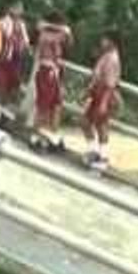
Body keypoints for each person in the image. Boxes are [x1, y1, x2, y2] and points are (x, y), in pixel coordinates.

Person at [30, 10, 74, 153]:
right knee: (43, 107)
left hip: (53, 71)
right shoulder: (47, 33)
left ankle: (48, 136)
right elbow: (66, 40)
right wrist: (59, 28)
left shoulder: (54, 34)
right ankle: (37, 137)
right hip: (47, 70)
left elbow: (69, 46)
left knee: (55, 106)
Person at [82, 30, 122, 171]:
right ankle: (94, 151)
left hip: (104, 95)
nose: (102, 42)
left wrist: (104, 103)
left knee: (101, 125)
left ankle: (103, 157)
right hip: (97, 93)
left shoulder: (112, 58)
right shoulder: (106, 56)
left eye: (105, 39)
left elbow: (109, 83)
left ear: (112, 41)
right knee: (86, 121)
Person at [0, 1, 31, 119]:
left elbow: (26, 41)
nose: (18, 11)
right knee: (0, 84)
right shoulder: (3, 21)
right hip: (4, 57)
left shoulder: (22, 25)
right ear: (10, 8)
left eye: (20, 9)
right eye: (16, 8)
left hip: (16, 59)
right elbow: (2, 35)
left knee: (12, 85)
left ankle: (4, 112)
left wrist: (22, 44)